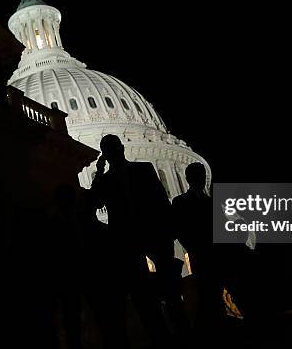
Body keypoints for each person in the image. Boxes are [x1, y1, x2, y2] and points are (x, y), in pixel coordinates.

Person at [89, 134, 179, 348]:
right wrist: (99, 172)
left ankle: (177, 332)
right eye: (108, 150)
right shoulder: (106, 180)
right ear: (106, 154)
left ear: (121, 148)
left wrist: (167, 232)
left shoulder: (144, 169)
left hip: (153, 235)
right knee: (143, 297)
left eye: (114, 147)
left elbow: (160, 200)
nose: (113, 152)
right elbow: (93, 201)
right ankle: (159, 336)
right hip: (126, 242)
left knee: (171, 291)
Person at [172, 162, 225, 328]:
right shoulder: (180, 202)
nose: (200, 179)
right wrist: (195, 247)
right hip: (199, 254)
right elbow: (179, 230)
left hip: (217, 253)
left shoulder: (212, 202)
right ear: (188, 179)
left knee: (220, 291)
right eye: (196, 176)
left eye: (202, 176)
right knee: (206, 293)